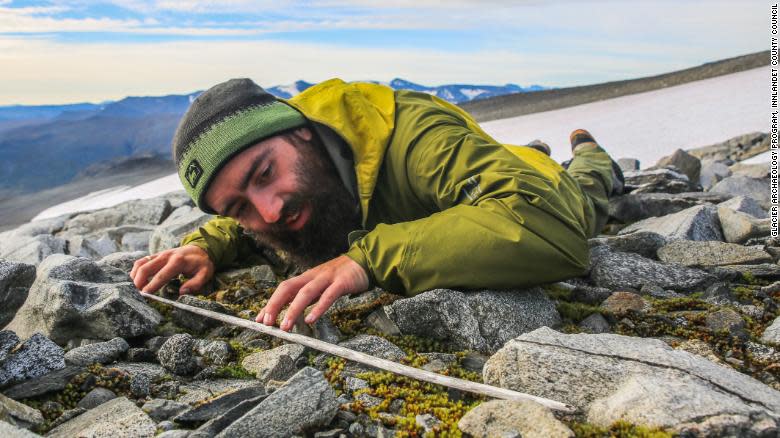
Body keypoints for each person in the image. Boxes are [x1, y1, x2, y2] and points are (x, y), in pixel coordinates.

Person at [130, 78, 624, 332]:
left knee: (585, 193)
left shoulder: (410, 131)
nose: (270, 212)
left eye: (264, 174)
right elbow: (250, 223)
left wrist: (369, 260)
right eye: (238, 207)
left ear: (301, 131)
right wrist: (206, 245)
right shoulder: (288, 182)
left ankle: (589, 152)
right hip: (475, 178)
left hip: (542, 187)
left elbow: (548, 227)